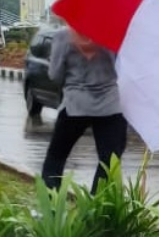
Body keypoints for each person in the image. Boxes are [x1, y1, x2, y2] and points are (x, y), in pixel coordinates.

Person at [41, 28, 127, 194]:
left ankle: (52, 208)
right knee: (109, 162)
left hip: (75, 106)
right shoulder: (113, 31)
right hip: (109, 106)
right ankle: (97, 208)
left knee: (56, 158)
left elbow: (55, 75)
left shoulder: (62, 36)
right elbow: (122, 69)